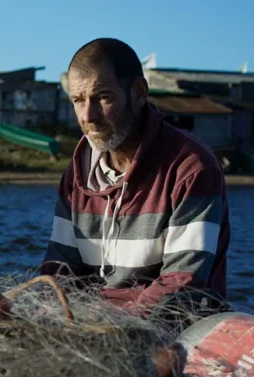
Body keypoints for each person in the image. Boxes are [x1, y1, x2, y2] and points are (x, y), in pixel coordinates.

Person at [41, 38, 230, 319]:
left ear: (139, 93)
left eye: (103, 98)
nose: (88, 116)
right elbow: (60, 270)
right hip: (94, 326)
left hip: (170, 329)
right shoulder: (78, 175)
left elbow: (182, 286)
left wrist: (113, 331)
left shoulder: (191, 169)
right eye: (78, 101)